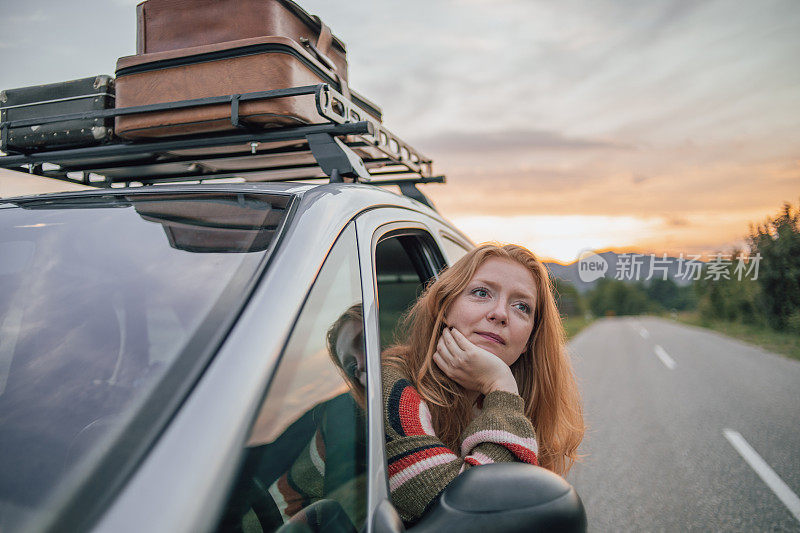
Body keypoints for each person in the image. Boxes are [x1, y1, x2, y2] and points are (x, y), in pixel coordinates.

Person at [382, 243, 585, 524]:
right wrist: (500, 383)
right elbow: (467, 512)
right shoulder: (392, 385)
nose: (500, 313)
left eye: (521, 307)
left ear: (529, 340)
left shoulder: (505, 405)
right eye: (481, 293)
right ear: (445, 307)